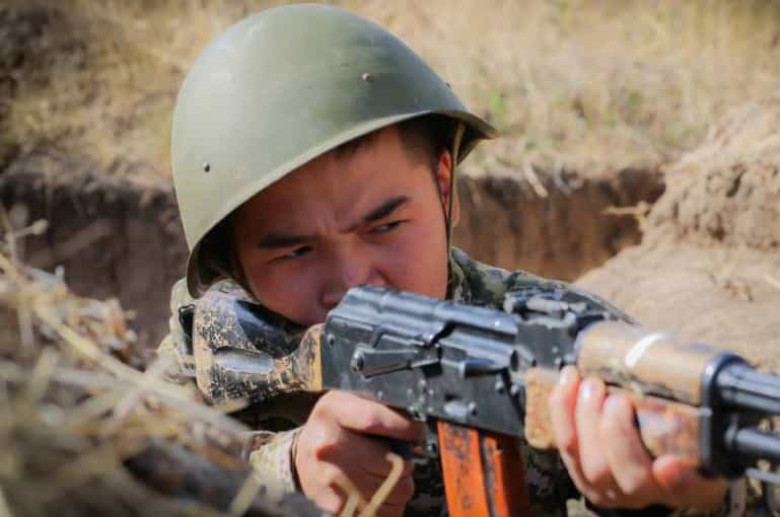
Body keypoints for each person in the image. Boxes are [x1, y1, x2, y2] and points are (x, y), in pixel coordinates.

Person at [159, 4, 735, 516]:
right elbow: (129, 470)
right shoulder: (215, 346)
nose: (355, 283)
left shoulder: (563, 343)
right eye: (296, 251)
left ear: (443, 186)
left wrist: (686, 501)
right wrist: (284, 474)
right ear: (232, 262)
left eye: (386, 226)